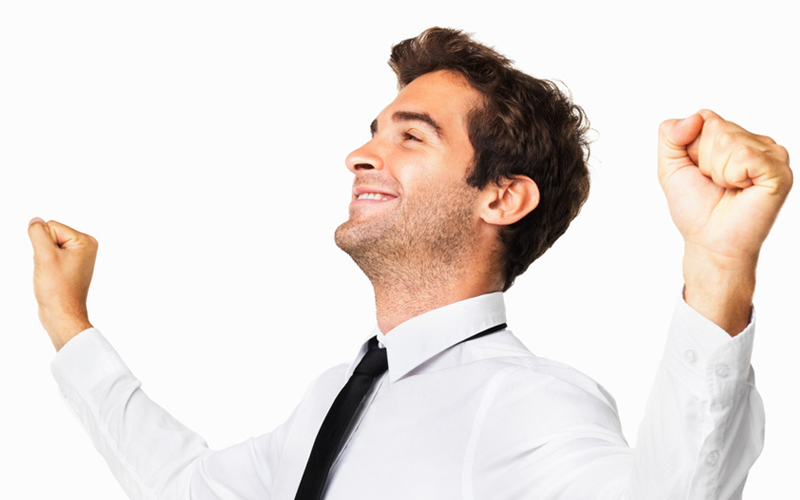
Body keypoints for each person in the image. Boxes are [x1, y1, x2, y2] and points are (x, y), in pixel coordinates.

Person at [28, 27, 792, 500]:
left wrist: (718, 266)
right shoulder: (333, 400)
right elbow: (187, 488)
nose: (361, 154)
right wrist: (68, 321)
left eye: (411, 136)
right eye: (375, 132)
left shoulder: (523, 402)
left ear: (501, 197)